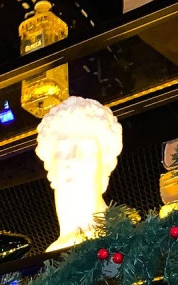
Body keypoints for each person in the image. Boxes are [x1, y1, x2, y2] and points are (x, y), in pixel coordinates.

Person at [35, 95, 124, 252]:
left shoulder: (124, 241)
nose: (73, 157)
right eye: (63, 149)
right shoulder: (49, 258)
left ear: (106, 163)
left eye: (87, 148)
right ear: (49, 163)